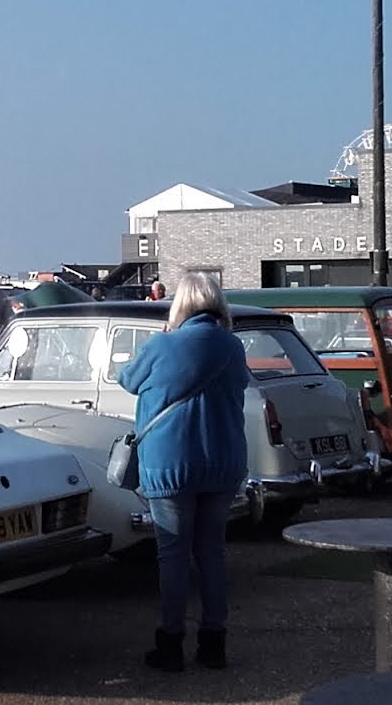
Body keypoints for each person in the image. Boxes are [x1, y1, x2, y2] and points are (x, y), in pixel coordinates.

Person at [117, 271, 248, 673]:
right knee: (212, 552)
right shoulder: (233, 347)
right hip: (222, 462)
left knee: (173, 555)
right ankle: (214, 643)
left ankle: (171, 643)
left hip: (170, 463)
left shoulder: (161, 345)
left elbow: (127, 380)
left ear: (180, 306)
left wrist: (166, 335)